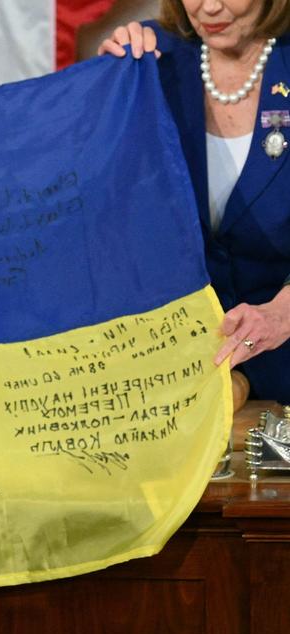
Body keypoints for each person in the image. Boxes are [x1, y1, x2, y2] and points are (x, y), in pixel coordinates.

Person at [98, 0, 290, 403]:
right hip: (171, 371)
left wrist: (280, 314)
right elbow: (107, 212)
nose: (209, 6)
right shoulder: (150, 58)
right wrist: (105, 93)